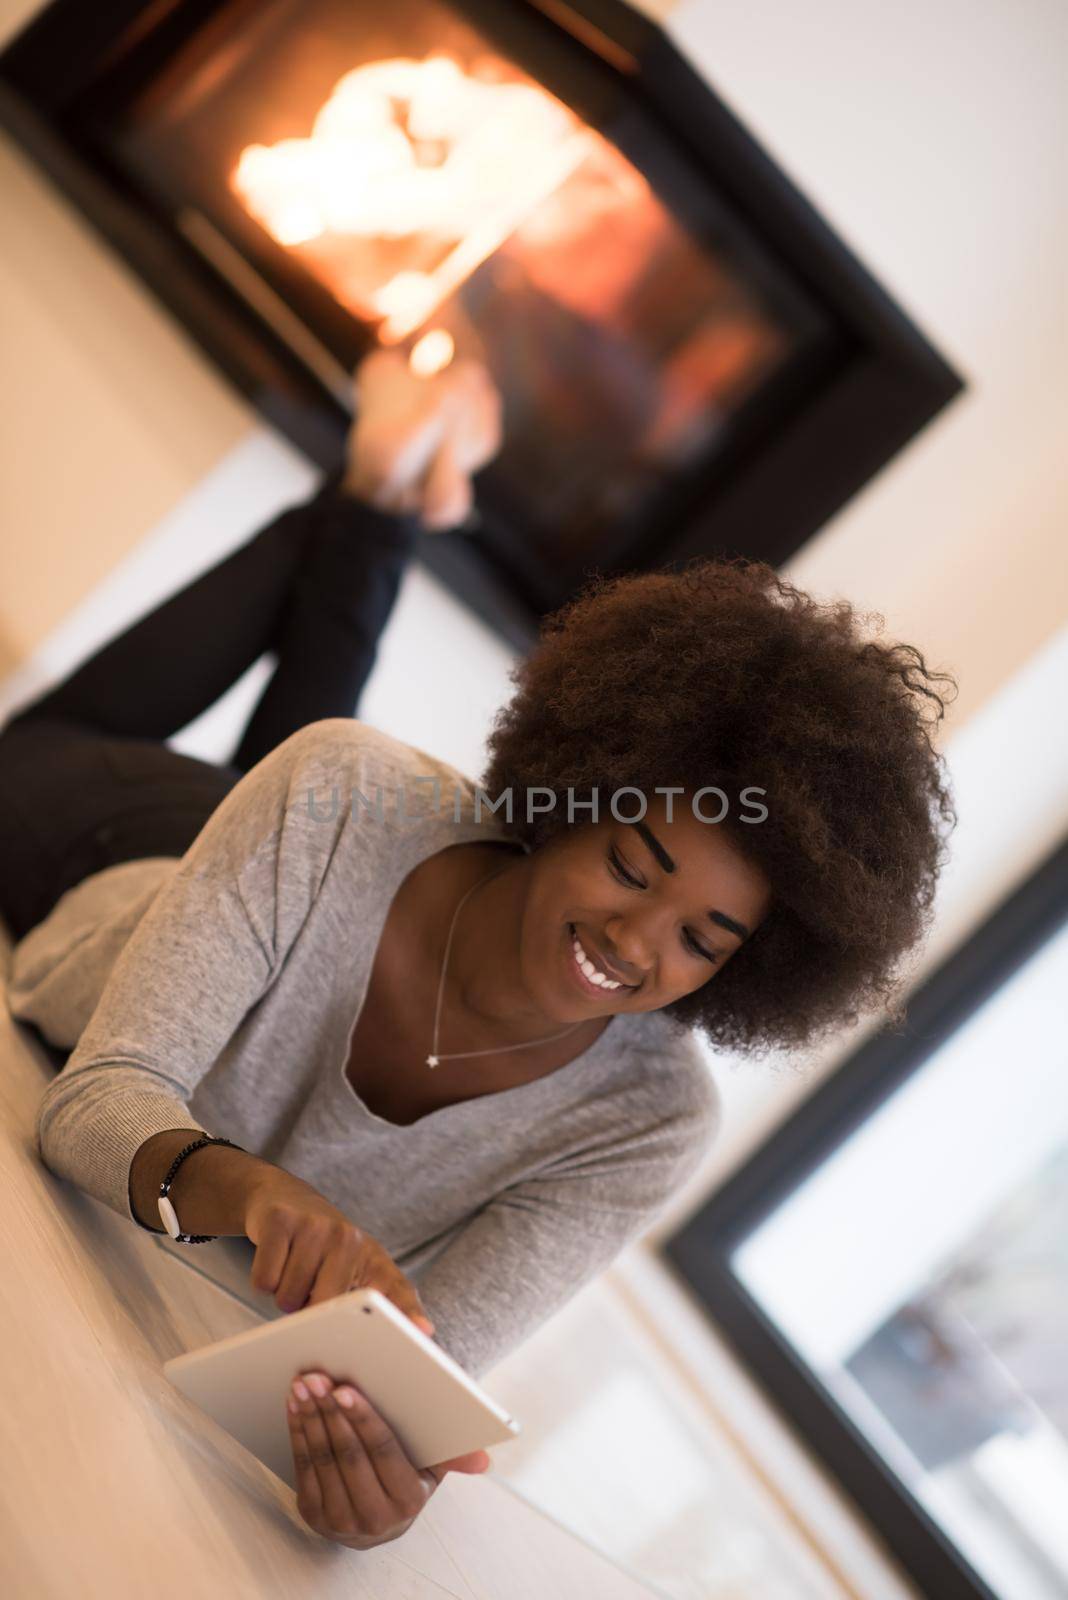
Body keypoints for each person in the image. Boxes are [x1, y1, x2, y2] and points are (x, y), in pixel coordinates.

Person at [0, 349, 957, 1550]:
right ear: (570, 797)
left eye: (704, 939)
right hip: (111, 849)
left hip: (292, 842)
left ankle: (382, 485)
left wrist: (380, 1467)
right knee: (106, 754)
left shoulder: (647, 1123)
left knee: (303, 771)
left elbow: (404, 1381)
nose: (633, 941)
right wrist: (240, 1183)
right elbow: (94, 1101)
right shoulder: (346, 794)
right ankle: (368, 495)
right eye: (630, 864)